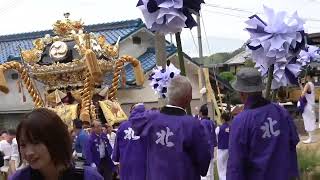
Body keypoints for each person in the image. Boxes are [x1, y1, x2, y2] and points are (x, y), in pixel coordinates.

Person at [130, 75, 211, 180]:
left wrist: (140, 106)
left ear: (169, 95)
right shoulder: (193, 125)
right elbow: (203, 162)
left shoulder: (151, 118)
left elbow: (134, 119)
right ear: (189, 97)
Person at [227, 68, 299, 180]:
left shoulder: (240, 121)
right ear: (260, 89)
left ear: (241, 93)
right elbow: (293, 142)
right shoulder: (281, 112)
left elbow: (236, 165)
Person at [9, 108, 103, 180]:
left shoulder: (88, 176)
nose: (29, 152)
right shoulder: (19, 178)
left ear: (56, 140)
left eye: (36, 142)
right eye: (23, 145)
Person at [112, 103, 146, 180]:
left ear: (131, 112)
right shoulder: (148, 125)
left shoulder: (123, 126)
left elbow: (117, 149)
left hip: (126, 163)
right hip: (143, 164)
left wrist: (116, 157)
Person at [199, 104, 217, 180]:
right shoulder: (211, 122)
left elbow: (205, 137)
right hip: (211, 149)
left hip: (205, 150)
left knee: (205, 174)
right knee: (211, 173)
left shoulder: (202, 123)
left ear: (200, 113)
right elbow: (214, 137)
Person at [300, 71, 317, 143]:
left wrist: (302, 86)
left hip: (307, 105)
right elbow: (305, 92)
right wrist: (301, 85)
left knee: (308, 120)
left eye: (306, 76)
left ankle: (310, 139)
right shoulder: (312, 84)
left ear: (309, 76)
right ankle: (311, 138)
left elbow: (303, 94)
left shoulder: (307, 84)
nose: (305, 77)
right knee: (311, 120)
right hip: (311, 104)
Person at [215, 112, 231, 180]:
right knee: (227, 167)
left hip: (221, 149)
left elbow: (215, 137)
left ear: (223, 119)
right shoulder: (231, 127)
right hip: (229, 149)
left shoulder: (219, 128)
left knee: (221, 168)